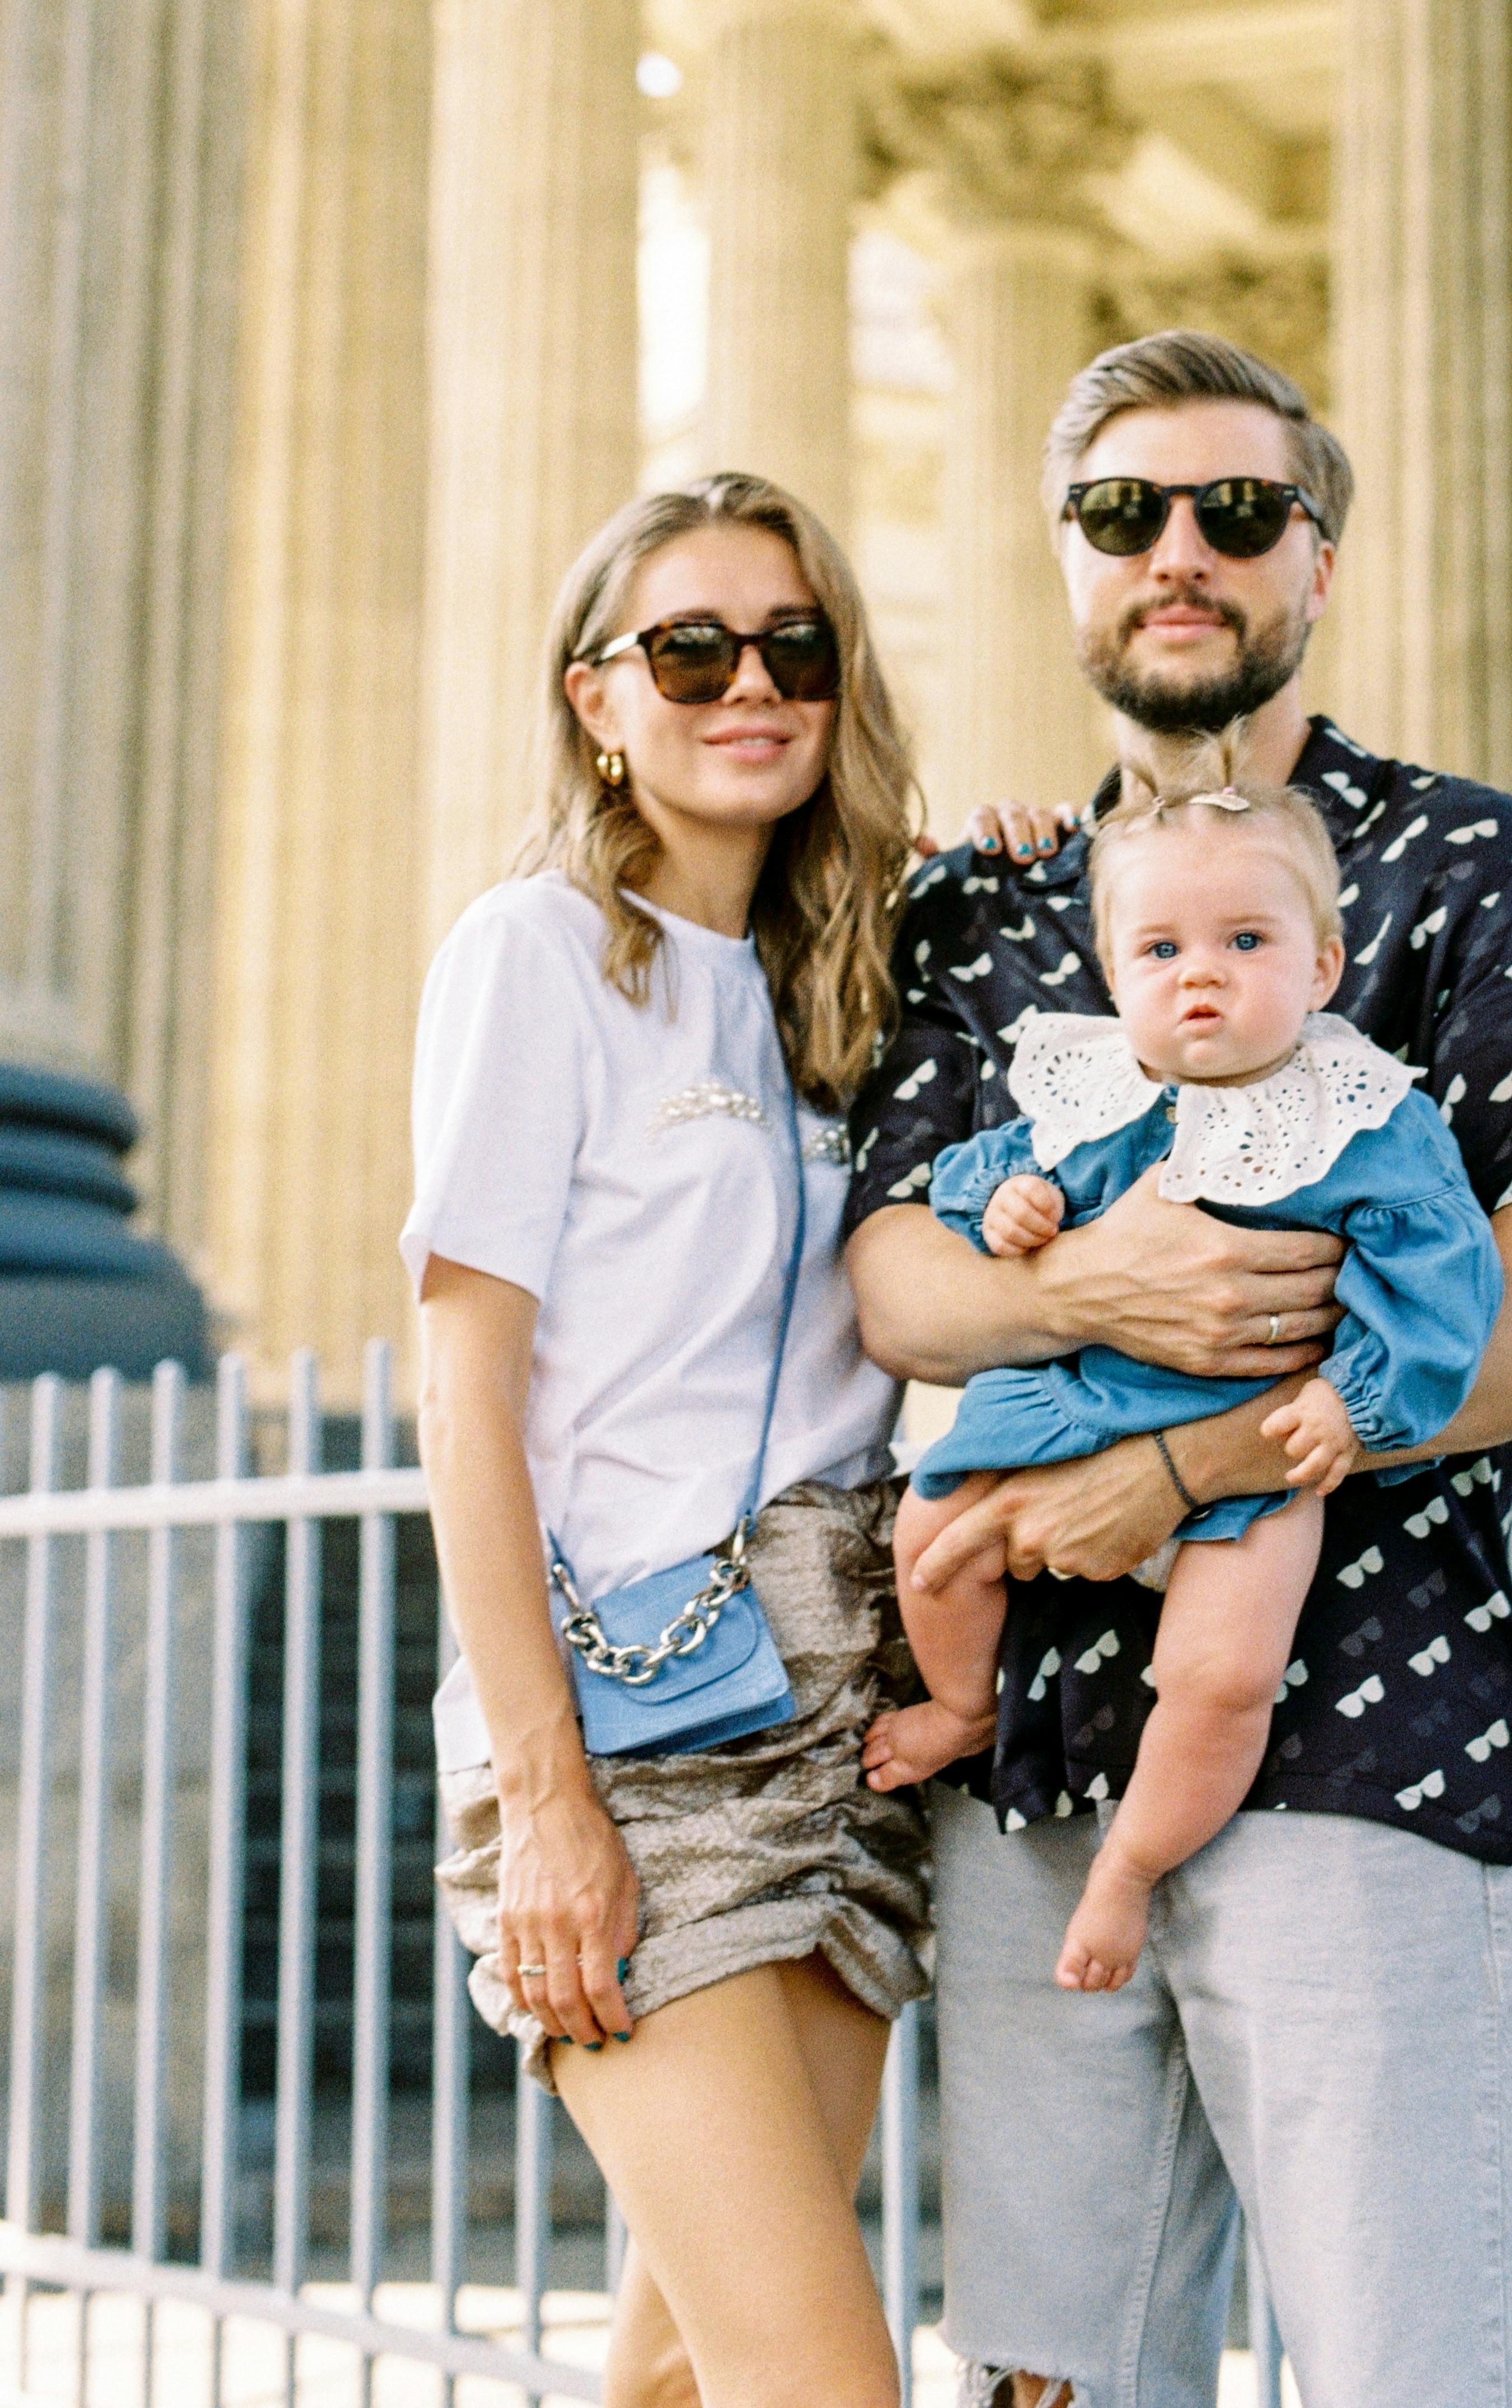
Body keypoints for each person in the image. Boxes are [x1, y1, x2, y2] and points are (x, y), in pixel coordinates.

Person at [843, 332, 1512, 2408]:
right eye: (1125, 515)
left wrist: (1192, 1456)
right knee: (1048, 2376)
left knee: (1420, 2366)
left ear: (1323, 557)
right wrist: (1089, 1293)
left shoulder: (1472, 867)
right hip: (1033, 1753)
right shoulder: (987, 907)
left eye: (1237, 510)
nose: (1179, 553)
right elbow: (895, 1283)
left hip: (1360, 1733)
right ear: (1068, 565)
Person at [407, 475, 928, 2408]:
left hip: (846, 1702)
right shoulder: (534, 955)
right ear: (594, 699)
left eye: (794, 645)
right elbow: (462, 1386)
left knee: (682, 2375)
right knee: (819, 2378)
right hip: (631, 1725)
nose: (749, 685)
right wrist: (543, 1796)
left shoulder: (854, 978)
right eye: (689, 648)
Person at [864, 729, 1502, 1999]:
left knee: (1222, 1675)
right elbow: (978, 1175)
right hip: (1071, 1406)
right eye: (1160, 951)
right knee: (929, 1536)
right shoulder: (1094, 1088)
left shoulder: (1363, 1117)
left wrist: (1353, 1398)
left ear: (1321, 964)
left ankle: (1130, 1867)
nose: (1198, 978)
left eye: (1243, 943)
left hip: (1249, 1452)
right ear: (1112, 971)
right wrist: (1008, 1213)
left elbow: (1444, 1276)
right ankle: (959, 1704)